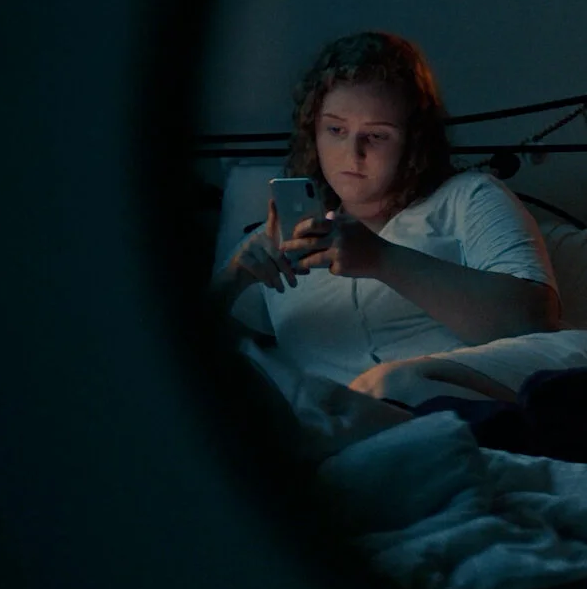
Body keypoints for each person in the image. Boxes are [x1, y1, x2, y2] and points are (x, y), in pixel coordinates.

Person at [209, 32, 565, 406]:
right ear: (314, 131)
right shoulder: (283, 238)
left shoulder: (467, 198)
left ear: (413, 140)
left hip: (452, 412)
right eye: (335, 130)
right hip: (338, 426)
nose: (353, 153)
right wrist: (231, 282)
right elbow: (193, 362)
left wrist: (382, 259)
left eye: (377, 136)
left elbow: (534, 318)